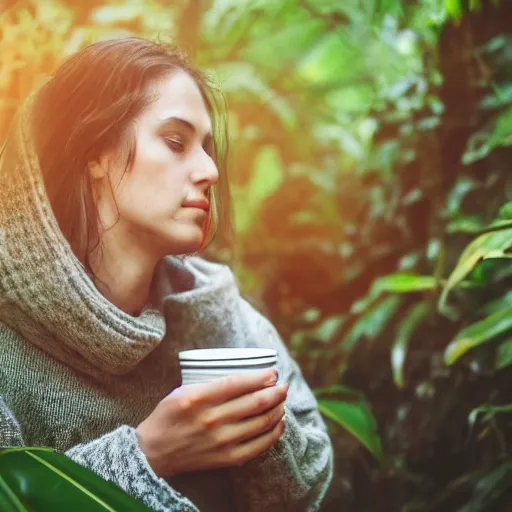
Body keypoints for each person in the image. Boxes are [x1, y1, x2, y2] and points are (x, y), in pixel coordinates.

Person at [0, 37, 333, 511]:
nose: (210, 171)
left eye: (207, 149)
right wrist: (148, 456)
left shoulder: (218, 308)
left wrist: (254, 427)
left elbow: (311, 484)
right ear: (95, 153)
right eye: (176, 142)